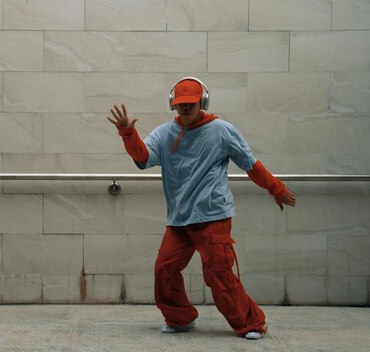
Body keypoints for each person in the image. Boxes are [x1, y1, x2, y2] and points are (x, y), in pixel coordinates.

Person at [106, 77, 296, 340]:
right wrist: (128, 133)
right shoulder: (164, 134)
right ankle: (180, 317)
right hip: (180, 219)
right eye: (181, 104)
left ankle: (252, 323)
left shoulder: (222, 130)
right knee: (165, 269)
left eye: (191, 104)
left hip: (213, 216)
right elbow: (142, 157)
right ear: (173, 104)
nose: (185, 109)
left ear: (202, 102)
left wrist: (276, 188)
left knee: (218, 274)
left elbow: (250, 164)